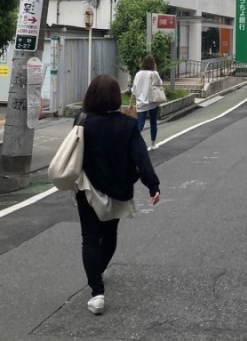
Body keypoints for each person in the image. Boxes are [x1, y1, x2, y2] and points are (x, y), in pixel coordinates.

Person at [75, 75, 160, 316]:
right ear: (115, 97)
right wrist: (152, 186)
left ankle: (97, 291)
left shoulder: (82, 121)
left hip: (87, 188)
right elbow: (140, 157)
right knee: (109, 235)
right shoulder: (127, 124)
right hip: (117, 188)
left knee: (89, 237)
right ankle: (97, 271)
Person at [131, 55, 163, 150]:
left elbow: (134, 89)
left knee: (140, 124)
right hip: (152, 102)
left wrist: (131, 103)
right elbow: (160, 83)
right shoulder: (154, 73)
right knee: (153, 123)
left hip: (140, 103)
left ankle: (133, 143)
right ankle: (153, 144)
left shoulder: (138, 74)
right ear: (153, 63)